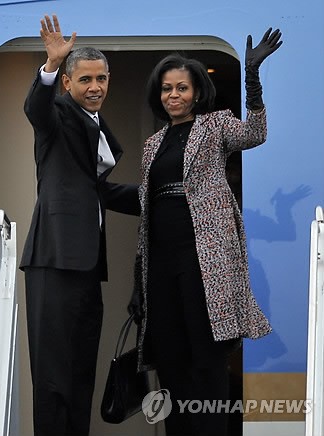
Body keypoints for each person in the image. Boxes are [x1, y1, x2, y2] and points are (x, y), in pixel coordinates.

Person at [129, 28, 283, 435]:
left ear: (196, 93)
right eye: (166, 89)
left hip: (205, 260)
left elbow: (256, 133)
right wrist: (137, 280)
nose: (173, 95)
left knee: (207, 358)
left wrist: (252, 76)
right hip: (161, 264)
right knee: (171, 359)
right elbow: (146, 207)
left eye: (181, 87)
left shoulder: (215, 126)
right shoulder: (151, 144)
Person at [19, 14, 139, 436]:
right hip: (54, 259)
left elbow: (99, 191)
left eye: (101, 78)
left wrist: (163, 198)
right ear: (68, 84)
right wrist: (51, 66)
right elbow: (36, 108)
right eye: (85, 79)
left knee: (80, 370)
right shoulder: (56, 116)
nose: (95, 87)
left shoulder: (96, 127)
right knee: (53, 376)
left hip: (87, 267)